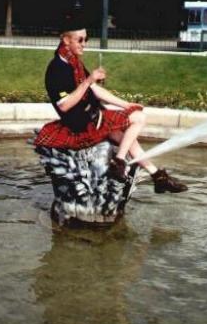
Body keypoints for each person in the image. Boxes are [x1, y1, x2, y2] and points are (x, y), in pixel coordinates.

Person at [34, 16, 187, 193]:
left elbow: (95, 90)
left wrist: (126, 104)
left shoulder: (74, 62)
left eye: (86, 39)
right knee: (139, 118)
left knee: (128, 139)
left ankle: (158, 177)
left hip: (94, 117)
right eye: (80, 40)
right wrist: (89, 81)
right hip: (81, 126)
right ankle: (119, 162)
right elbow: (64, 105)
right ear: (66, 40)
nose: (84, 44)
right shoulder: (56, 69)